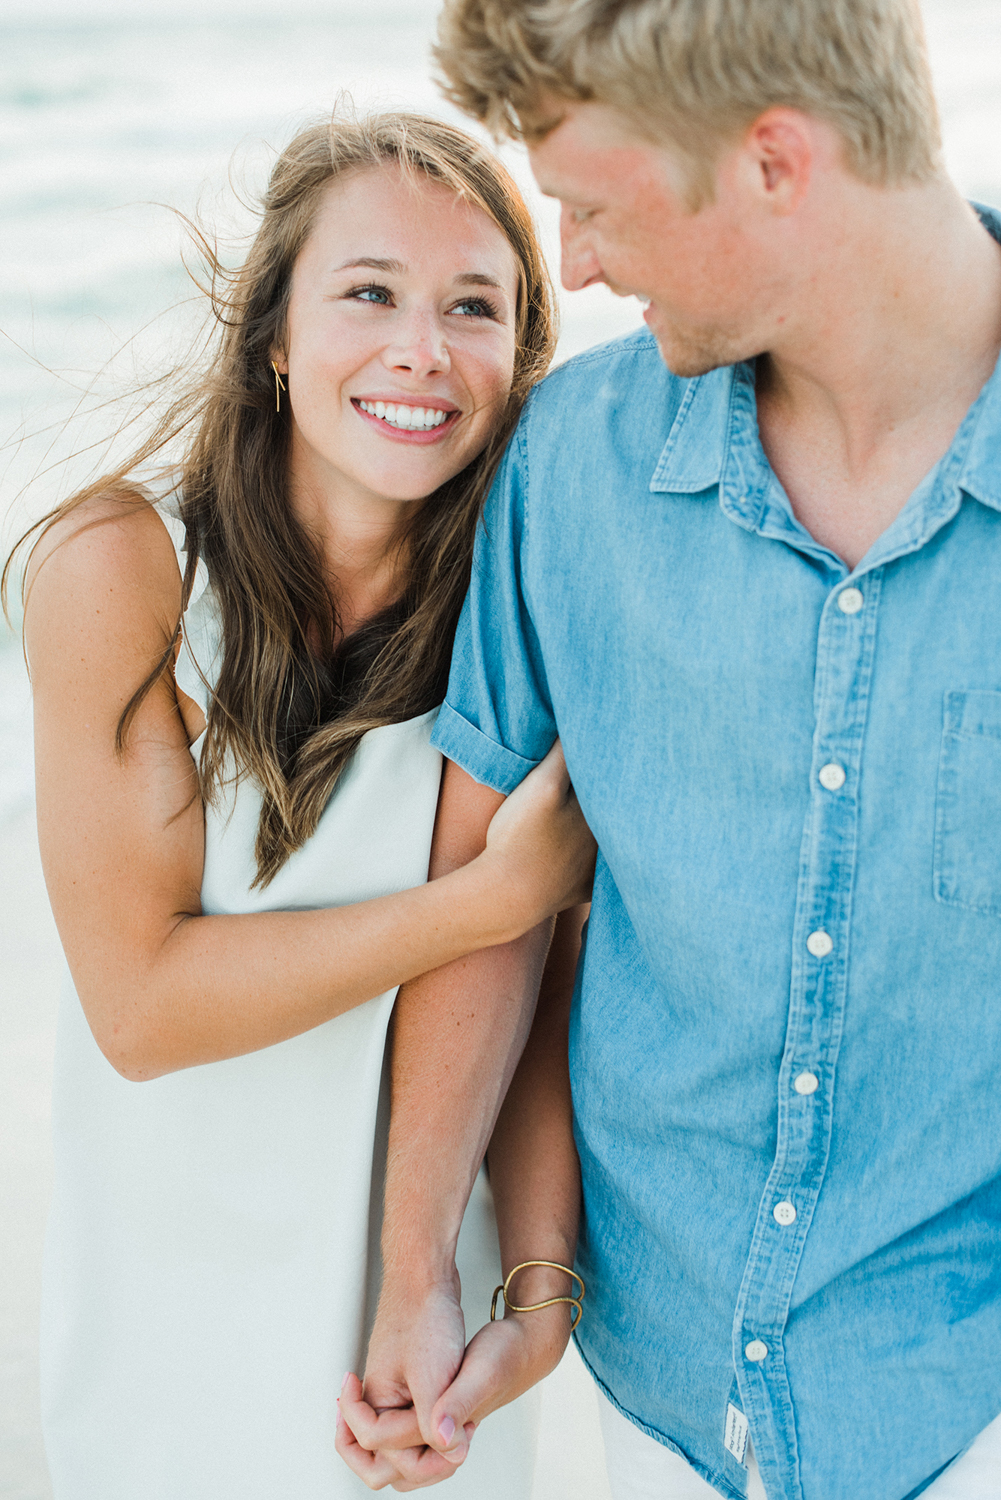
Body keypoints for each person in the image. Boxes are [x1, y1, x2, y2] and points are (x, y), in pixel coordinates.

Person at [337, 3, 1001, 1498]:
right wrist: (432, 1270)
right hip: (643, 1407)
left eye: (586, 205)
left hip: (967, 1400)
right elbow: (493, 908)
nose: (568, 266)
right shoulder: (570, 465)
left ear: (773, 161)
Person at [5, 111, 595, 1500]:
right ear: (272, 332)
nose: (421, 351)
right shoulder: (122, 567)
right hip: (177, 1302)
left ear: (517, 359)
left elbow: (530, 1001)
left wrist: (536, 1292)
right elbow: (141, 1008)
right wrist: (482, 899)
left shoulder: (519, 613)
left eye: (474, 308)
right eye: (369, 293)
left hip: (420, 1309)